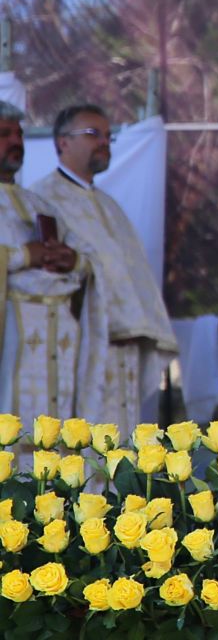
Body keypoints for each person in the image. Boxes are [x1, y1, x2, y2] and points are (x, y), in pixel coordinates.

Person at [29, 104, 176, 429]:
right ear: (62, 142)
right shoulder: (42, 200)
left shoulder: (109, 205)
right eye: (93, 134)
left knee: (121, 447)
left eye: (108, 136)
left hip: (126, 346)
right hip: (84, 348)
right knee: (88, 447)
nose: (104, 142)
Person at [0, 102, 104, 424]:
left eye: (19, 134)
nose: (16, 141)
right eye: (4, 134)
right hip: (11, 336)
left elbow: (88, 258)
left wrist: (70, 259)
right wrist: (26, 255)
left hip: (56, 334)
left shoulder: (37, 204)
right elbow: (22, 255)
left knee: (52, 436)